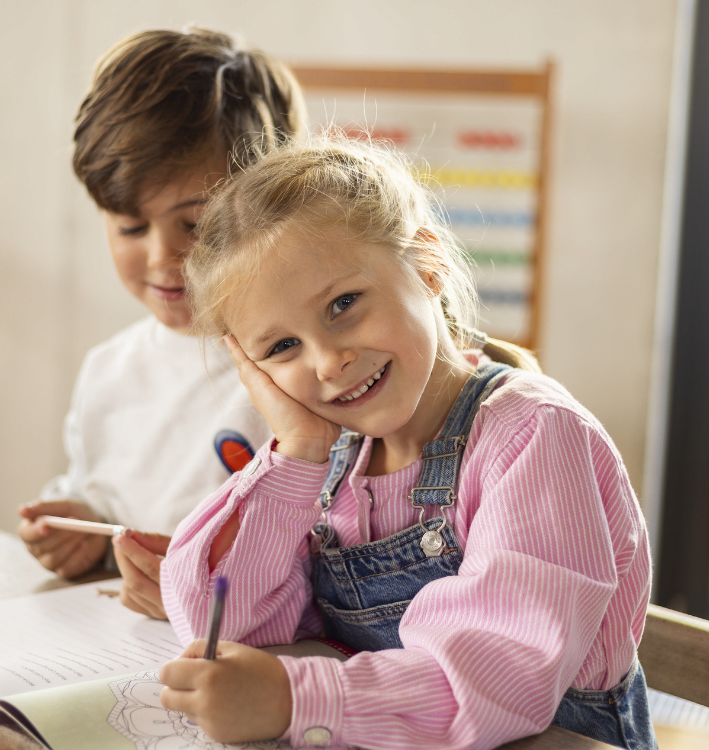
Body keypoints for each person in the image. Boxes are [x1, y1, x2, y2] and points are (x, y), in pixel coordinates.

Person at [157, 135, 656, 750]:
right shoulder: (334, 456)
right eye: (281, 347)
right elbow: (224, 626)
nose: (328, 361)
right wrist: (298, 449)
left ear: (427, 263)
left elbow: (500, 679)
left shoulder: (533, 436)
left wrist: (297, 698)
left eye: (343, 304)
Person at [17, 28, 306, 619]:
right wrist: (85, 531)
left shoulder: (306, 369)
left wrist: (201, 583)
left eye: (195, 224)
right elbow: (104, 496)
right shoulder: (109, 370)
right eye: (128, 226)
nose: (158, 257)